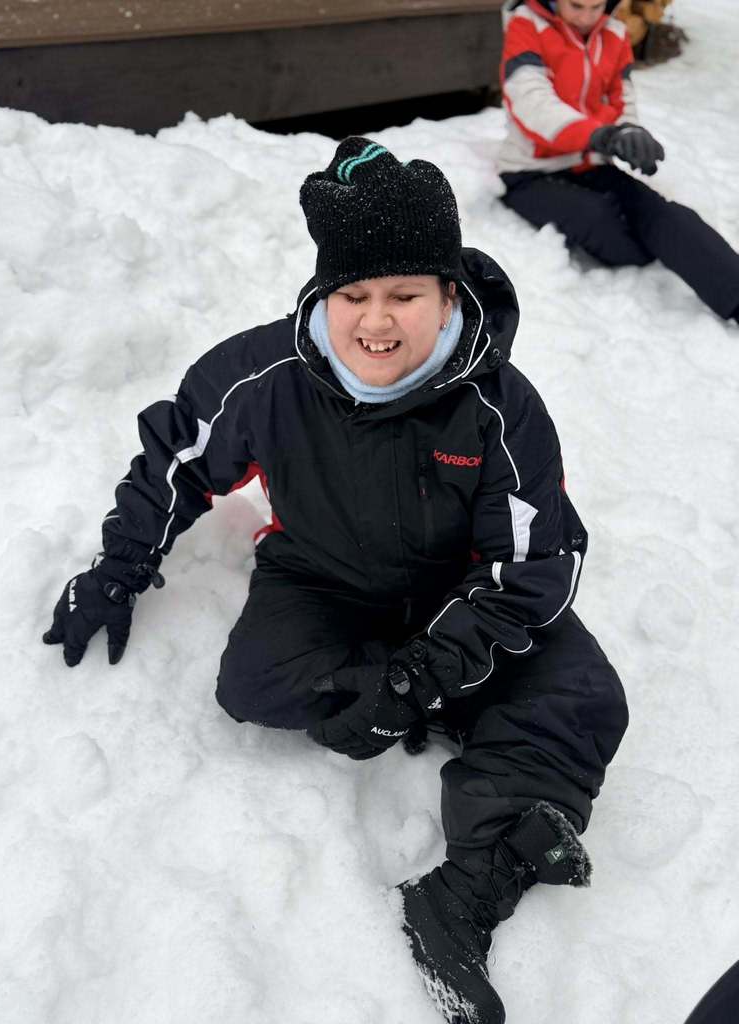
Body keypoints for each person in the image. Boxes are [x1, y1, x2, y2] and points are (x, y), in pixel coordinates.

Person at [42, 137, 628, 1024]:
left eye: (404, 295)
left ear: (448, 294)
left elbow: (533, 565)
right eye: (355, 294)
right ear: (324, 295)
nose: (377, 321)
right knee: (252, 684)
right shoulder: (269, 373)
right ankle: (440, 707)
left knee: (585, 695)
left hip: (455, 590)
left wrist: (418, 674)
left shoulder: (501, 405)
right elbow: (178, 458)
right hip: (321, 576)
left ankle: (467, 885)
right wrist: (120, 568)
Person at [499, 0, 739, 323]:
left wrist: (629, 133)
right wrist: (601, 136)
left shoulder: (614, 33)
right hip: (531, 172)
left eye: (596, 7)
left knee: (662, 213)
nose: (586, 17)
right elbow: (532, 103)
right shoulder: (526, 24)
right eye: (576, 6)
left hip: (593, 163)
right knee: (605, 224)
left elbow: (621, 98)